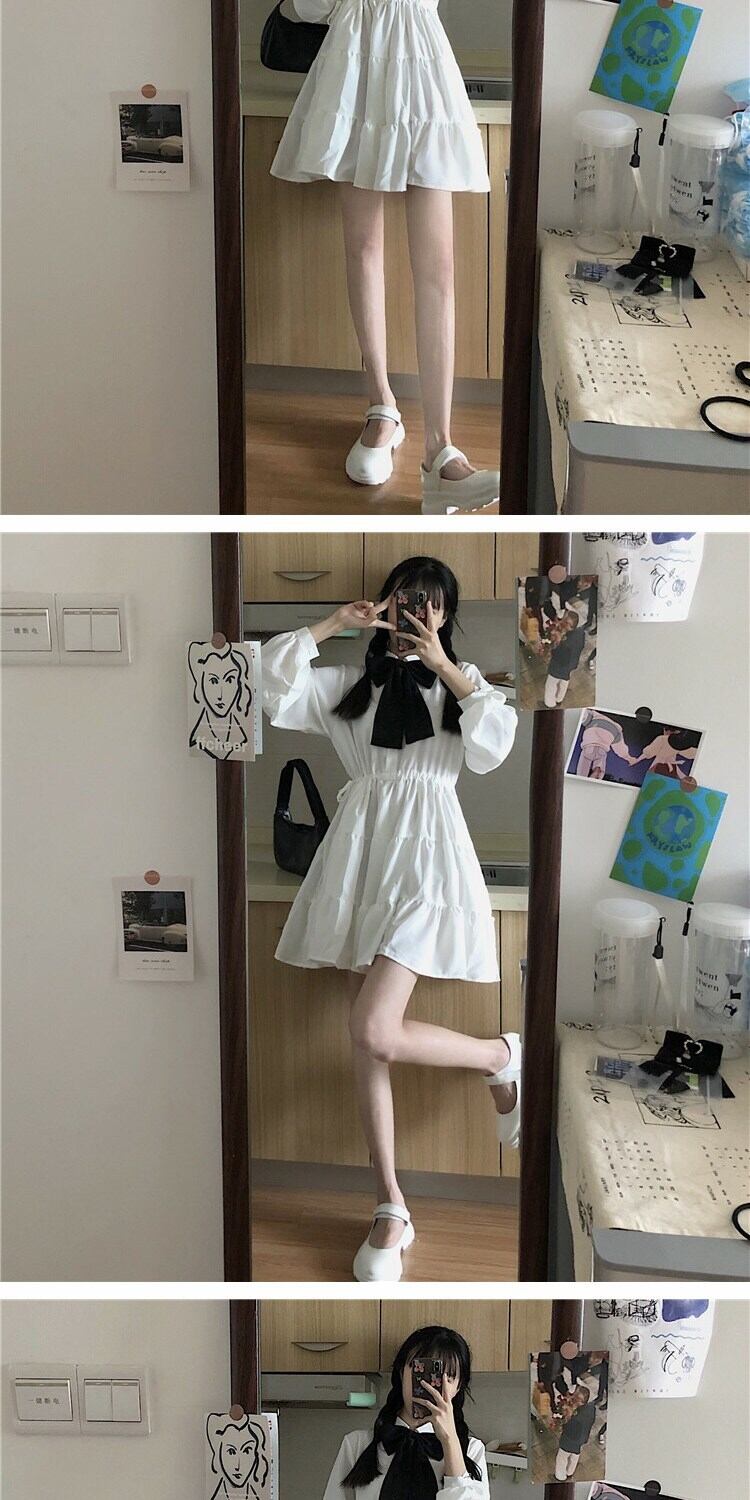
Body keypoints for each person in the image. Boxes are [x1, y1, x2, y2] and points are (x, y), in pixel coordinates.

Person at [261, 557, 521, 1281]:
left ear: (446, 615)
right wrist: (334, 624)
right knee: (366, 1042)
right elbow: (265, 684)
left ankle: (500, 1056)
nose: (416, 614)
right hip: (360, 858)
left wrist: (445, 665)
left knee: (375, 1028)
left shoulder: (463, 689)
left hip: (429, 859)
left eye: (431, 605)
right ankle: (390, 1204)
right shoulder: (349, 685)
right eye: (405, 601)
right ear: (384, 605)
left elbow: (495, 746)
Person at [271, 0, 501, 513]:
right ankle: (382, 406)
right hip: (355, 74)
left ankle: (440, 447)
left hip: (421, 73)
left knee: (438, 270)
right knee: (364, 249)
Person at [323, 1325, 491, 1497]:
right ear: (402, 1372)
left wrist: (450, 1441)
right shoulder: (357, 1445)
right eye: (422, 1371)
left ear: (458, 1387)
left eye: (449, 1376)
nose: (432, 1384)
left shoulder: (471, 1451)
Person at [543, 610, 587, 708]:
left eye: (563, 619)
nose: (561, 620)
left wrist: (557, 641)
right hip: (572, 664)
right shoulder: (580, 632)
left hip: (559, 667)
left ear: (567, 624)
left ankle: (550, 704)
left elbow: (556, 653)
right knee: (564, 681)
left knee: (550, 685)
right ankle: (559, 699)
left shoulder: (565, 645)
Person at [553, 1386, 598, 1481]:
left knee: (561, 1458)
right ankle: (570, 1472)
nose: (572, 1396)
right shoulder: (591, 1407)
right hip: (582, 1438)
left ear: (578, 1400)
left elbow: (566, 1428)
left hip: (569, 1441)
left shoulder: (575, 1419)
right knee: (575, 1456)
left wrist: (564, 1417)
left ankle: (560, 1477)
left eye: (574, 1395)